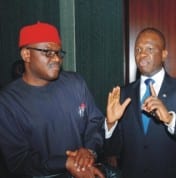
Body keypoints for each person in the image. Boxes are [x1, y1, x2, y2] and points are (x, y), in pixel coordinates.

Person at [0, 22, 105, 178]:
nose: (56, 59)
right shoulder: (7, 101)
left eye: (58, 52)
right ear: (26, 55)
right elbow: (18, 160)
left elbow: (95, 122)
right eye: (48, 52)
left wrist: (89, 151)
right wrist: (65, 162)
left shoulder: (76, 83)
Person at [104, 27, 176, 178]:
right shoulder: (123, 94)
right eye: (138, 49)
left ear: (164, 54)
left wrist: (170, 119)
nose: (142, 54)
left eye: (149, 48)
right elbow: (112, 151)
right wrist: (110, 125)